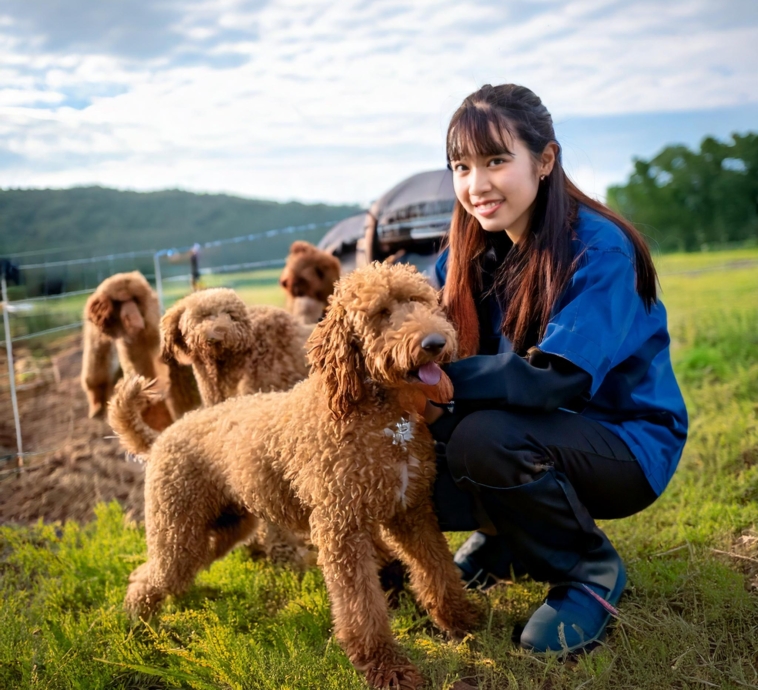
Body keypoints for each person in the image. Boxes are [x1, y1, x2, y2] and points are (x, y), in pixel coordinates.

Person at [427, 84, 688, 654]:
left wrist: (437, 383)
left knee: (480, 436)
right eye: (461, 166)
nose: (477, 185)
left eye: (497, 160)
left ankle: (587, 571)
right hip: (531, 431)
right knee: (401, 437)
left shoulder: (600, 248)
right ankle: (500, 540)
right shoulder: (464, 254)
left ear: (544, 160)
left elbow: (556, 379)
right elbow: (413, 330)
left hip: (622, 441)